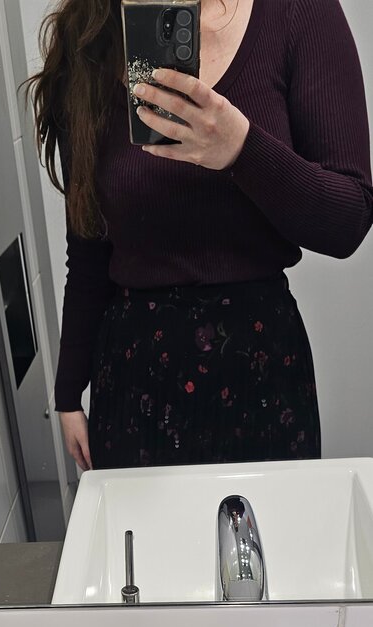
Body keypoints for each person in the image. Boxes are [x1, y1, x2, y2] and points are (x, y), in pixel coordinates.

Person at [23, 0, 373, 471]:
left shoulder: (298, 12)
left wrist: (242, 149)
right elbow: (88, 247)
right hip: (133, 381)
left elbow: (348, 219)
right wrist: (68, 394)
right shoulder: (90, 34)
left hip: (260, 371)